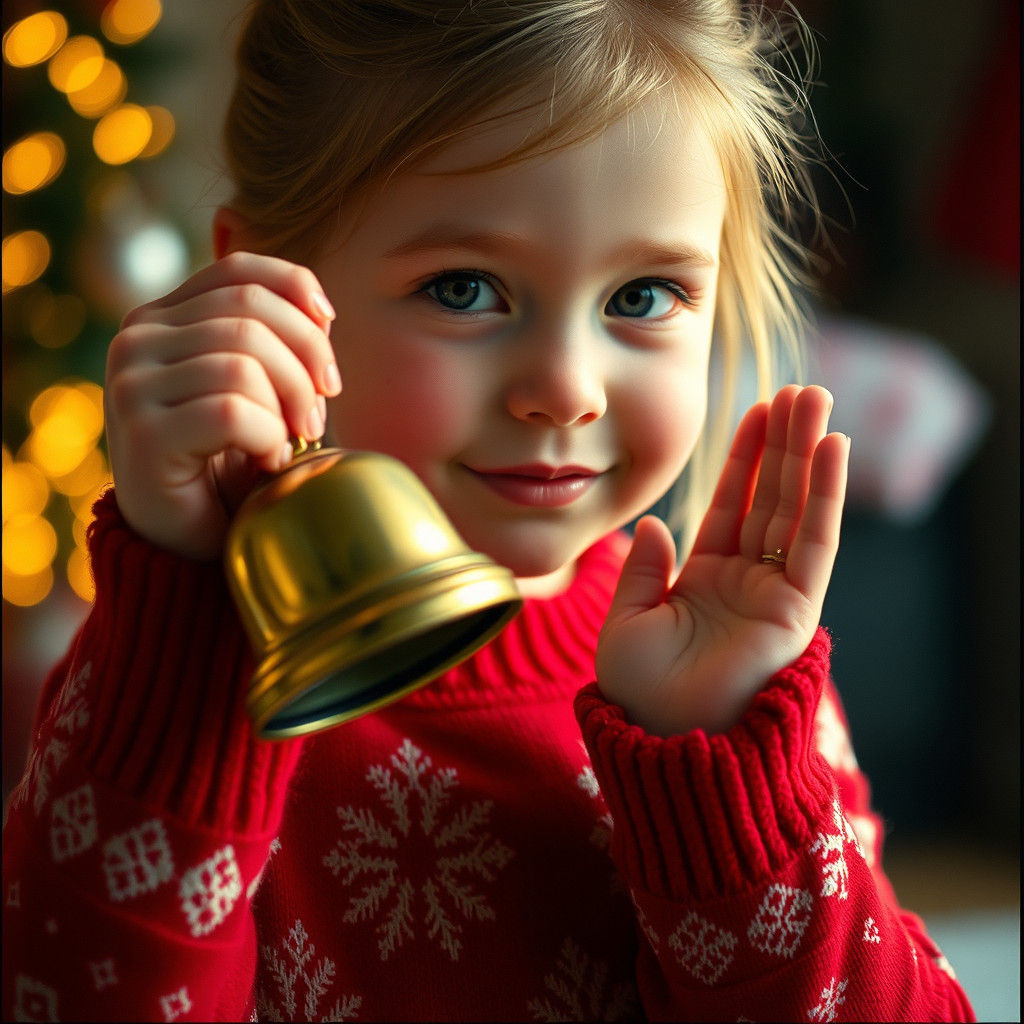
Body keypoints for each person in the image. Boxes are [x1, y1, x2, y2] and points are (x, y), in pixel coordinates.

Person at [2, 1, 975, 1020]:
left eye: (641, 297)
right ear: (261, 288)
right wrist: (189, 643)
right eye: (463, 288)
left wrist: (722, 770)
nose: (564, 388)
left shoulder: (736, 684)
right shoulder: (169, 684)